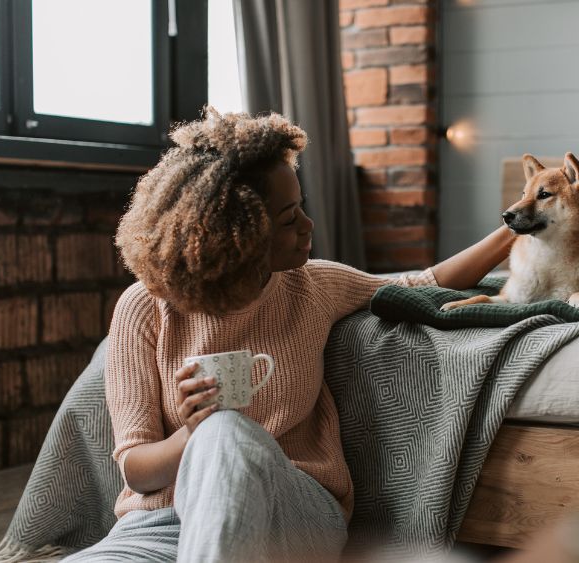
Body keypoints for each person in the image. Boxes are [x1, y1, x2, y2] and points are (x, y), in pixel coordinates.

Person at [63, 108, 514, 562]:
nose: (307, 225)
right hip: (158, 528)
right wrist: (190, 433)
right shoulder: (143, 308)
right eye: (287, 218)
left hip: (291, 516)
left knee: (225, 433)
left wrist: (518, 229)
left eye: (301, 208)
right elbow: (138, 472)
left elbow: (424, 284)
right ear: (237, 235)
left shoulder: (314, 286)